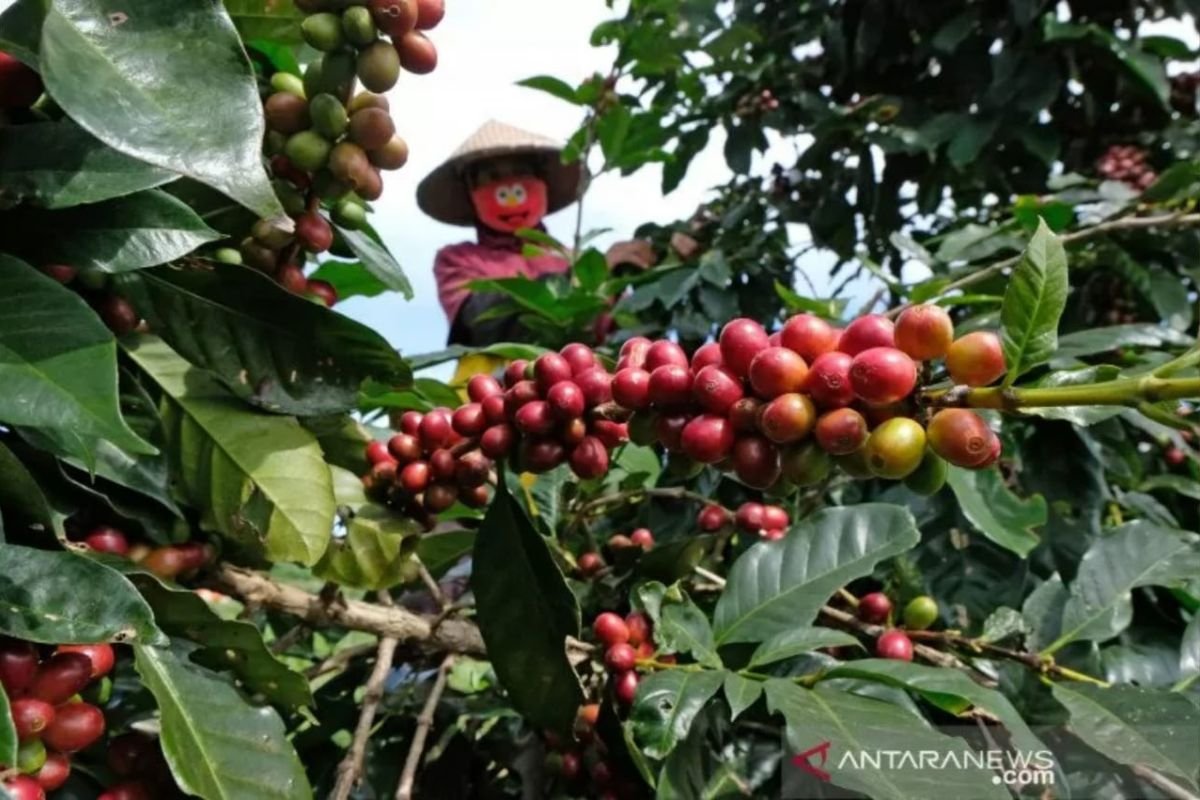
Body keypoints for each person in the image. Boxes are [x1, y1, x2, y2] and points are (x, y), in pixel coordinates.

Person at [416, 120, 653, 374]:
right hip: (493, 393)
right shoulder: (458, 258)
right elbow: (479, 321)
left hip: (582, 387)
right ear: (470, 192)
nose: (509, 189)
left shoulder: (576, 260)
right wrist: (582, 280)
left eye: (522, 172)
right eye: (491, 177)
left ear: (543, 183)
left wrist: (653, 270)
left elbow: (624, 333)